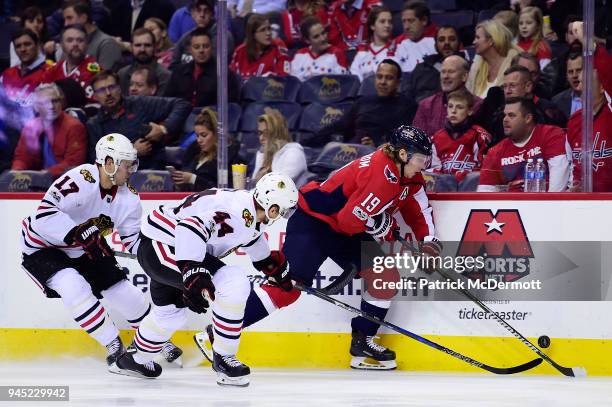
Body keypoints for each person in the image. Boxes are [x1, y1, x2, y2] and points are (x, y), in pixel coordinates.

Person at [195, 125, 441, 371]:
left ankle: (363, 341)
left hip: (341, 228)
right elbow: (349, 220)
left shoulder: (410, 177)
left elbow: (418, 209)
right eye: (420, 159)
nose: (423, 165)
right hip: (313, 221)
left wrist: (428, 241)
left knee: (384, 276)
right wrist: (381, 226)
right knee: (286, 288)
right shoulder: (380, 176)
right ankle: (216, 333)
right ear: (402, 155)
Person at [113, 172, 298, 384]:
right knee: (233, 282)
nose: (283, 215)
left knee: (170, 314)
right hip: (166, 245)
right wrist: (193, 271)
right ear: (272, 207)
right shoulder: (237, 213)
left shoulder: (250, 208)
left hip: (168, 244)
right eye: (284, 211)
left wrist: (272, 267)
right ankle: (224, 357)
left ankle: (134, 359)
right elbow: (190, 226)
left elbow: (250, 236)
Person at [19, 133, 179, 375]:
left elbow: (133, 241)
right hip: (43, 247)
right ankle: (114, 347)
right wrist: (76, 232)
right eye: (126, 164)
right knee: (74, 287)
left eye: (132, 164)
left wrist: (157, 259)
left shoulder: (130, 198)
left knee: (126, 293)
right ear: (108, 163)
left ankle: (155, 339)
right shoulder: (81, 179)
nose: (131, 170)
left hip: (83, 247)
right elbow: (43, 215)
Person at [86, 71, 191, 170]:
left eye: (112, 87)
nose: (108, 93)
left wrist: (164, 128)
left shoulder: (140, 103)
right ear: (95, 96)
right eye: (101, 90)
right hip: (117, 181)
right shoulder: (94, 125)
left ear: (120, 88)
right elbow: (96, 162)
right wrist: (131, 152)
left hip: (152, 174)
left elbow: (182, 104)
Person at [306, 59, 417, 147]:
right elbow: (338, 127)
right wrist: (304, 143)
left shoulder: (408, 106)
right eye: (379, 77)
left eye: (389, 78)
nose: (383, 82)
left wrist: (378, 146)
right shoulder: (363, 102)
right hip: (351, 153)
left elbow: (405, 140)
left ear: (398, 83)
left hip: (382, 158)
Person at [477, 97, 571, 192]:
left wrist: (549, 204)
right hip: (513, 204)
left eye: (511, 115)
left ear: (528, 118)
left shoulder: (550, 134)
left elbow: (559, 176)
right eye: (504, 115)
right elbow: (485, 192)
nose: (505, 119)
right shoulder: (495, 151)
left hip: (547, 203)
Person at [11, 83, 87, 178]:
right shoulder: (31, 126)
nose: (51, 106)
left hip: (63, 182)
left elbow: (73, 163)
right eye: (45, 103)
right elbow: (22, 157)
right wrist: (16, 172)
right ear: (36, 107)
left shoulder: (74, 126)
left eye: (55, 101)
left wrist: (43, 175)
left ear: (61, 103)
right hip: (35, 181)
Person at [169, 108, 243, 191]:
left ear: (216, 134)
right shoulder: (194, 154)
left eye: (204, 135)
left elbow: (224, 190)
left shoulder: (229, 159)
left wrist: (193, 179)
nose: (199, 140)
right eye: (197, 136)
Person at [429, 89, 491, 185]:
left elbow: (485, 169)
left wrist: (463, 176)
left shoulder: (480, 136)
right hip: (445, 190)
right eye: (450, 106)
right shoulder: (436, 138)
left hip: (471, 190)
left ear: (470, 111)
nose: (453, 111)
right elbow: (433, 170)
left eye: (459, 107)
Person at [164, 28, 240, 107]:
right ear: (190, 50)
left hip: (211, 117)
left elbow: (231, 106)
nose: (201, 50)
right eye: (196, 47)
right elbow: (167, 101)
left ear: (211, 48)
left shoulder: (224, 75)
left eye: (206, 46)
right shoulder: (178, 72)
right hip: (181, 116)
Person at [413, 55, 481, 138]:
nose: (445, 76)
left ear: (464, 76)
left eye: (451, 72)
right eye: (443, 72)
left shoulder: (477, 104)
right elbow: (416, 139)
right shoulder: (426, 105)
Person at [566, 70, 612, 192]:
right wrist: (572, 187)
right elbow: (571, 163)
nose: (579, 87)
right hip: (583, 201)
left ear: (602, 87)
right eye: (579, 82)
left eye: (584, 82)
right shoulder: (574, 121)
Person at [42, 24, 101, 104]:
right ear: (61, 45)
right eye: (70, 40)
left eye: (80, 40)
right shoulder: (52, 70)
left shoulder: (95, 71)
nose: (75, 44)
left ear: (87, 44)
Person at [252, 108, 309, 188]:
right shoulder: (262, 153)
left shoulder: (294, 154)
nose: (261, 138)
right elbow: (254, 186)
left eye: (266, 133)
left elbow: (281, 186)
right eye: (260, 133)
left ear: (277, 132)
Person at [408, 25, 465, 102]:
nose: (447, 43)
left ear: (459, 44)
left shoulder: (468, 68)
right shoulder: (421, 68)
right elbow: (408, 97)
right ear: (435, 46)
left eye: (452, 39)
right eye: (441, 40)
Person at [60, 1, 122, 71]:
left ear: (83, 18)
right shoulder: (69, 41)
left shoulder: (107, 44)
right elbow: (61, 71)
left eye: (69, 18)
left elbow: (104, 78)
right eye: (65, 19)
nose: (66, 24)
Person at [466, 19, 520, 98]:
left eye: (478, 38)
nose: (474, 42)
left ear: (490, 41)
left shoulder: (513, 64)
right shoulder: (476, 68)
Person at [229, 14, 290, 81]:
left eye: (269, 29)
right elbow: (231, 79)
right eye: (263, 30)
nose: (268, 33)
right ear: (253, 34)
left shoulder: (278, 46)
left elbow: (284, 75)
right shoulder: (240, 51)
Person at [0, 29, 51, 106]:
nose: (23, 49)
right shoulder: (7, 73)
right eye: (18, 46)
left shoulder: (49, 72)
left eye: (27, 44)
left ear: (38, 45)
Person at [290, 16, 348, 82]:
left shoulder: (336, 53)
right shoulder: (300, 55)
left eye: (323, 33)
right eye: (316, 37)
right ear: (307, 40)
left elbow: (344, 83)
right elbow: (293, 83)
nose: (323, 39)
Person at [117, 28, 171, 95]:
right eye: (138, 45)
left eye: (147, 45)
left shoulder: (165, 76)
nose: (142, 49)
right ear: (131, 47)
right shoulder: (122, 74)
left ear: (154, 47)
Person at [350, 6, 395, 82]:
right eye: (382, 21)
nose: (387, 25)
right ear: (372, 26)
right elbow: (354, 80)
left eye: (390, 22)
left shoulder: (397, 49)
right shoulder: (362, 53)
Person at [392, 1, 436, 73]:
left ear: (424, 20)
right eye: (404, 21)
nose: (406, 27)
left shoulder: (441, 39)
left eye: (411, 21)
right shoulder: (397, 42)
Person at [551, 52, 582, 119]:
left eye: (578, 70)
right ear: (566, 76)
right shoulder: (557, 101)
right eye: (570, 72)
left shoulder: (600, 99)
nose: (574, 75)